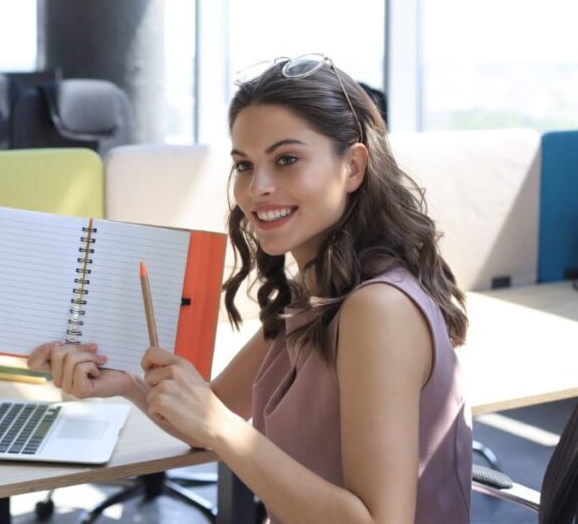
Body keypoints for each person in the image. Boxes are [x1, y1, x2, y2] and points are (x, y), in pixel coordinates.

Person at [27, 53, 472, 523]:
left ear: (354, 167)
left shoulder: (377, 309)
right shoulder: (319, 294)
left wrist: (220, 426)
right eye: (244, 165)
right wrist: (125, 386)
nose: (257, 187)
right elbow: (210, 416)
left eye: (286, 160)